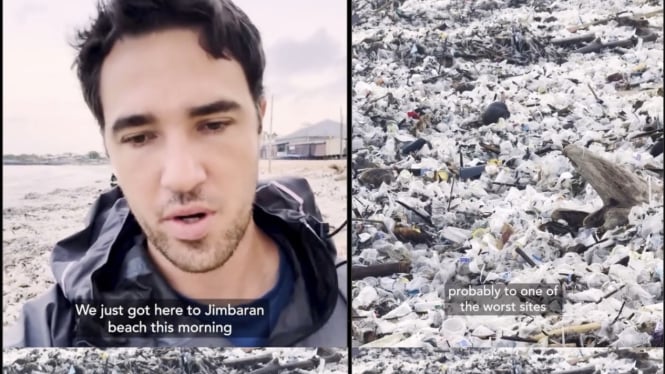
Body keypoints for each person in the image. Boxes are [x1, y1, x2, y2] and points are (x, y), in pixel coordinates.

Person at [4, 0, 347, 348]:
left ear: (259, 121)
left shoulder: (355, 299)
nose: (182, 177)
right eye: (139, 138)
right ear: (108, 147)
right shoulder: (56, 335)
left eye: (213, 125)